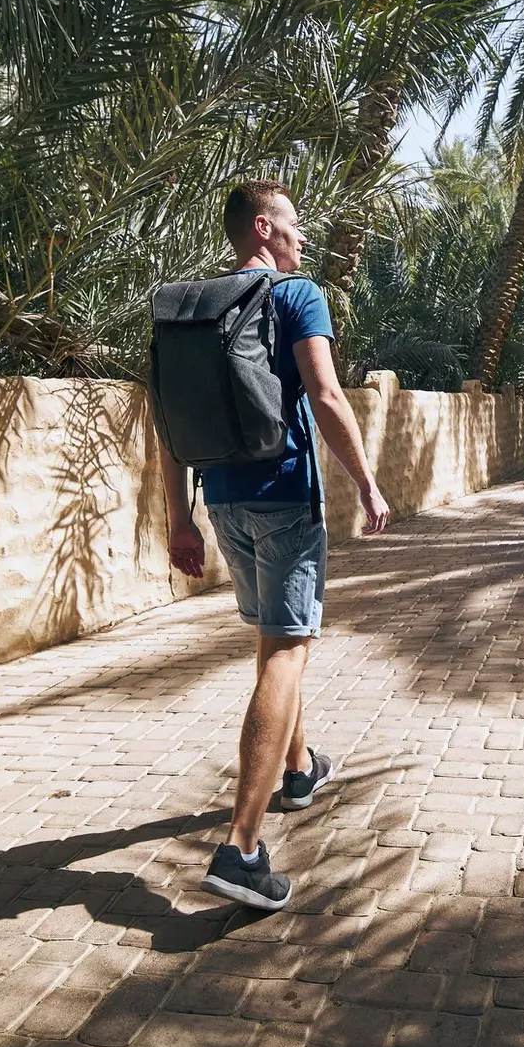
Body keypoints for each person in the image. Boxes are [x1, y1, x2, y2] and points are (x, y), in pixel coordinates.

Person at [160, 178, 392, 911]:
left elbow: (167, 421)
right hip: (287, 494)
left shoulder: (192, 308)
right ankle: (243, 847)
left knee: (274, 643)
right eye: (294, 228)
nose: (302, 240)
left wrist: (178, 518)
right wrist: (368, 481)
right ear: (263, 228)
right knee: (289, 650)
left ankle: (298, 768)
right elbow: (325, 396)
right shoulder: (296, 295)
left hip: (223, 500)